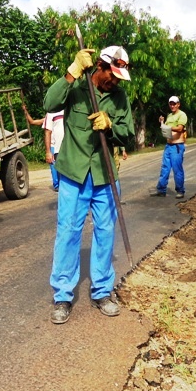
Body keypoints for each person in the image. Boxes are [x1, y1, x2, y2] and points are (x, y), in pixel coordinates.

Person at [43, 45, 135, 324]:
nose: (115, 81)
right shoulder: (77, 88)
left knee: (105, 233)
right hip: (74, 174)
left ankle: (102, 292)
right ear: (100, 66)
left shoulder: (120, 98)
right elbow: (49, 104)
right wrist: (71, 73)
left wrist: (110, 127)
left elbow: (129, 136)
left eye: (120, 77)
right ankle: (62, 295)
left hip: (105, 175)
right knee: (68, 232)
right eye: (113, 75)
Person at [150, 95, 187, 198]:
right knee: (165, 168)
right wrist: (161, 122)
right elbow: (165, 128)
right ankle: (161, 190)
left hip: (177, 146)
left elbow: (180, 129)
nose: (172, 105)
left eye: (174, 103)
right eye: (170, 103)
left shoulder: (182, 115)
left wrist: (168, 127)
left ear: (178, 104)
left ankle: (180, 191)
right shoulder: (169, 116)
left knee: (177, 169)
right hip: (168, 145)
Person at [23, 104, 64, 191]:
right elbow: (32, 122)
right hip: (53, 145)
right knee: (54, 166)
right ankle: (57, 185)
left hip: (63, 145)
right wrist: (25, 111)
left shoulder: (65, 112)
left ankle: (63, 185)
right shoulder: (49, 117)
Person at [42, 110, 65, 191]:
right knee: (55, 167)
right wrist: (48, 152)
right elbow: (47, 132)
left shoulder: (69, 109)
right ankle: (57, 185)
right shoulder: (50, 113)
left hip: (68, 146)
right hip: (55, 146)